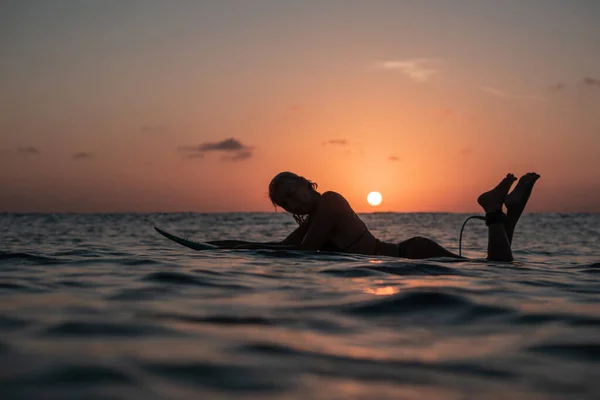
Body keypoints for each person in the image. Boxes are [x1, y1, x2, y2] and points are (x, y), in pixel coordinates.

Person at [218, 171, 540, 262]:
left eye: (291, 192)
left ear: (306, 182)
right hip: (409, 255)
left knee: (490, 271)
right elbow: (281, 246)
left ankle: (493, 209)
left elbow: (301, 252)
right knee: (498, 270)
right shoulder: (313, 218)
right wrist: (224, 245)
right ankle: (510, 212)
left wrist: (233, 248)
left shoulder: (329, 202)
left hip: (412, 255)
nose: (291, 203)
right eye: (284, 203)